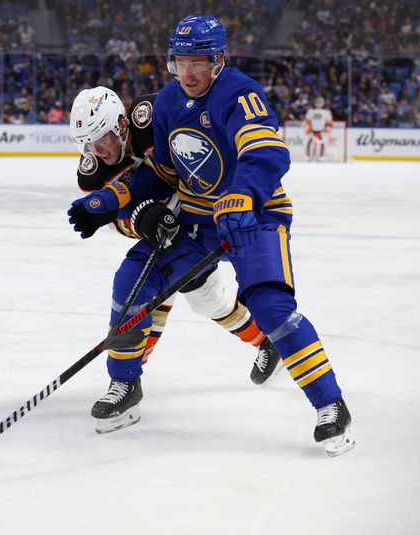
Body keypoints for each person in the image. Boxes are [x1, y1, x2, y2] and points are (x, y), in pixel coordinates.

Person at [67, 16, 354, 456]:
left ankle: (330, 404)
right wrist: (109, 200)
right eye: (181, 62)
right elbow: (161, 174)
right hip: (197, 222)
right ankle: (125, 387)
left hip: (254, 216)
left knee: (271, 305)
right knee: (132, 283)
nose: (189, 73)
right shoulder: (166, 103)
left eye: (199, 61)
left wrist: (241, 194)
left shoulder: (239, 94)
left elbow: (266, 151)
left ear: (219, 60)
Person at [69, 86, 283, 383]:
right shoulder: (92, 171)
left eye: (102, 138)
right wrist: (142, 221)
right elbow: (117, 222)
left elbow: (198, 150)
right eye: (88, 143)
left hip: (204, 205)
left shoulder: (152, 117)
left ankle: (127, 379)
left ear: (120, 124)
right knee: (203, 297)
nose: (98, 150)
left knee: (172, 293)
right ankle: (264, 342)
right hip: (166, 229)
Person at [304, 96, 334, 161]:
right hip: (312, 131)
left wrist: (327, 128)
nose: (319, 103)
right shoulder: (311, 111)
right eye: (318, 102)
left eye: (320, 102)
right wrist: (307, 128)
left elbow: (329, 122)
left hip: (322, 131)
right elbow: (307, 120)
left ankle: (321, 155)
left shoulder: (326, 112)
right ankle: (308, 155)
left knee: (322, 143)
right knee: (310, 143)